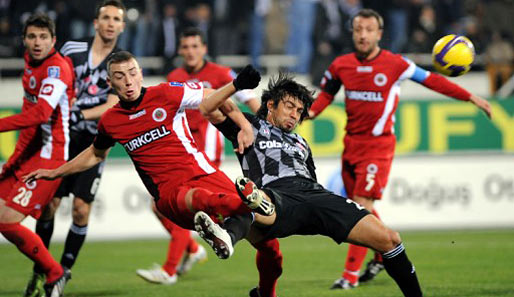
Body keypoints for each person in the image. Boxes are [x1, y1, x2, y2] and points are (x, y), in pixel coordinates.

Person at [23, 51, 277, 289]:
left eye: (132, 72)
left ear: (141, 73)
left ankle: (235, 242)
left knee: (268, 241)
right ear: (111, 83)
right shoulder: (111, 121)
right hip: (170, 194)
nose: (128, 81)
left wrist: (244, 124)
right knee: (200, 200)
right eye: (120, 76)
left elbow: (212, 97)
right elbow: (95, 154)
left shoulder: (167, 93)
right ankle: (249, 203)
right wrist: (56, 171)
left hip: (205, 173)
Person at [308, 8, 492, 289]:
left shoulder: (396, 64)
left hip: (378, 146)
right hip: (351, 144)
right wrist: (306, 114)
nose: (363, 35)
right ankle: (384, 252)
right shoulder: (340, 65)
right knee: (358, 207)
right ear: (353, 32)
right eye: (358, 29)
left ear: (379, 34)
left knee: (360, 206)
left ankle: (350, 276)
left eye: (369, 30)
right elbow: (324, 97)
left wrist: (471, 97)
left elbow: (433, 80)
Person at [195, 73, 424, 297]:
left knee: (390, 239)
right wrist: (236, 85)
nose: (295, 115)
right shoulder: (249, 125)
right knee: (257, 205)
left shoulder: (301, 143)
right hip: (276, 193)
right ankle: (228, 234)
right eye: (289, 106)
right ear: (271, 105)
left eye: (299, 111)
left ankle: (241, 216)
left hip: (313, 195)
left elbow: (311, 181)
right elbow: (207, 107)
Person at [136, 27, 261, 285]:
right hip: (181, 152)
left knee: (189, 202)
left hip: (207, 150)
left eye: (195, 46)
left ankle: (171, 269)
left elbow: (249, 98)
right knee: (162, 205)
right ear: (180, 50)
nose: (190, 52)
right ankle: (195, 249)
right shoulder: (175, 76)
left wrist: (261, 128)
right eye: (186, 47)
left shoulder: (220, 73)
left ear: (204, 48)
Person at [27, 1, 126, 291]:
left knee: (81, 210)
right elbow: (52, 75)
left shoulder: (121, 64)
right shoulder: (71, 50)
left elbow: (113, 104)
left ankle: (64, 271)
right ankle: (41, 268)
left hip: (95, 145)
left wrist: (78, 112)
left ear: (122, 26)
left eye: (115, 19)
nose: (110, 23)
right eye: (105, 17)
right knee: (48, 206)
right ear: (95, 23)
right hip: (63, 140)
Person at [0, 13, 74, 297]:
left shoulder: (56, 69)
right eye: (32, 37)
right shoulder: (30, 64)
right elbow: (30, 115)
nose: (37, 42)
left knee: (7, 221)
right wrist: (14, 159)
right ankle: (50, 270)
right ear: (24, 40)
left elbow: (40, 114)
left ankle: (55, 273)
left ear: (54, 40)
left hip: (50, 158)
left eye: (43, 37)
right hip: (30, 154)